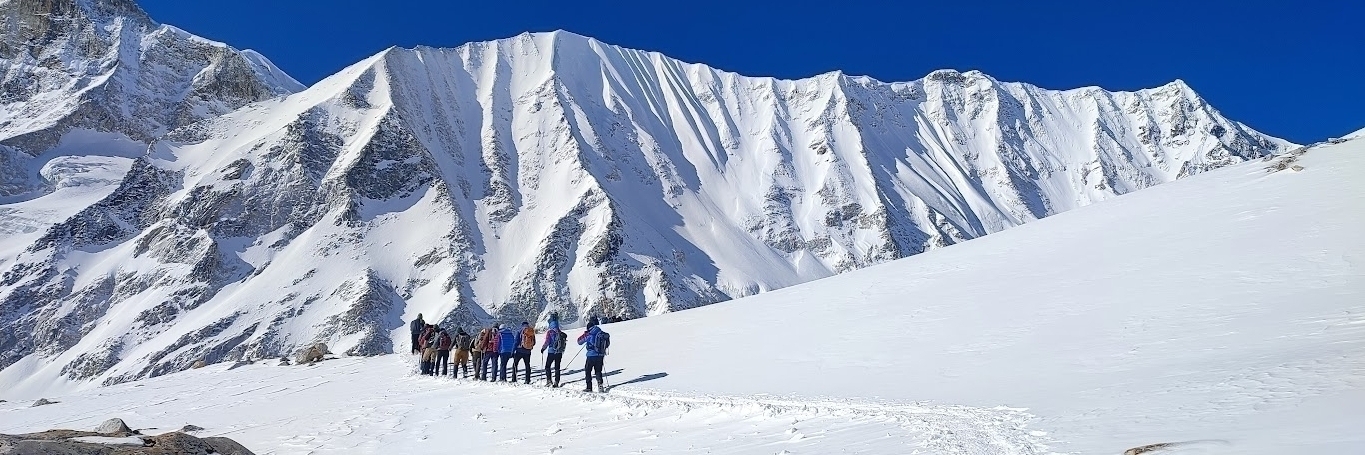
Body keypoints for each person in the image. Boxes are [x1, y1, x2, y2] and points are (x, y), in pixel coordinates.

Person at [577, 316, 610, 392]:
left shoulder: (589, 334)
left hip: (591, 355)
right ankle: (600, 385)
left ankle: (589, 387)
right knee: (598, 371)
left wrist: (585, 334)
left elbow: (579, 341)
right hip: (600, 354)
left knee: (588, 370)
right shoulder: (601, 332)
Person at [540, 314, 566, 387]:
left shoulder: (550, 332)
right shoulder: (560, 332)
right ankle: (556, 382)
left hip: (551, 352)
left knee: (547, 366)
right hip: (559, 352)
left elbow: (547, 342)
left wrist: (543, 348)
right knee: (557, 367)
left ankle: (549, 381)